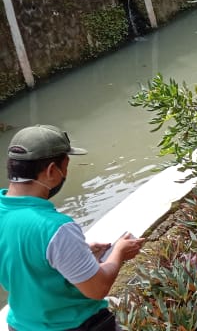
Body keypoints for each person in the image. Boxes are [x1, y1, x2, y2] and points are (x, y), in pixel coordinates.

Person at [0, 125, 143, 331]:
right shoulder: (55, 228)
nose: (65, 174)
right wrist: (119, 253)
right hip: (75, 325)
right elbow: (97, 288)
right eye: (65, 167)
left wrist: (79, 255)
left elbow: (25, 265)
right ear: (51, 171)